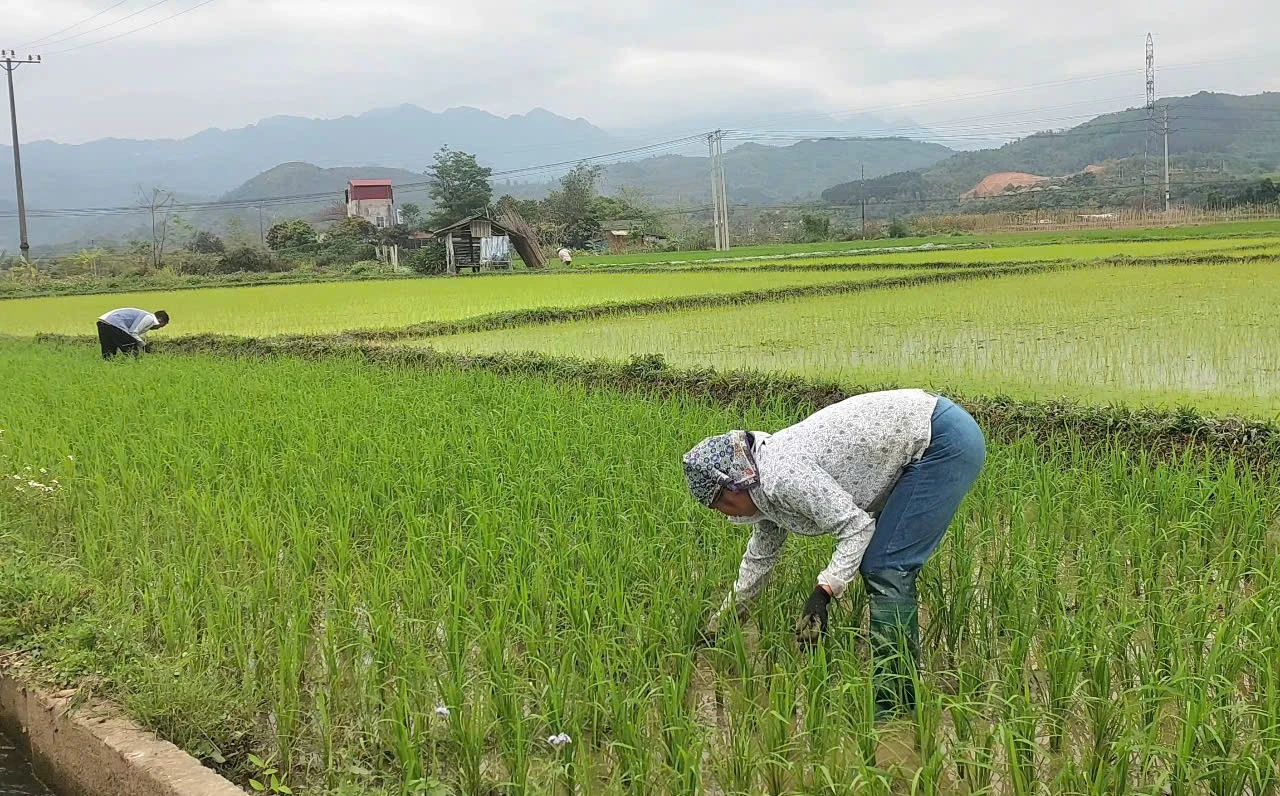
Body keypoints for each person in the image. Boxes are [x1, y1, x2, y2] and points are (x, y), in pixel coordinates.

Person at [683, 389, 985, 717]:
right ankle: (897, 695)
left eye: (719, 503)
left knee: (886, 564)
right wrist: (717, 627)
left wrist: (823, 592)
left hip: (939, 439)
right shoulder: (762, 494)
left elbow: (856, 527)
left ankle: (895, 706)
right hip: (921, 437)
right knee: (884, 560)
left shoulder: (782, 477)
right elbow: (758, 561)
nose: (725, 514)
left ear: (735, 483)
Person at [96, 307, 169, 359]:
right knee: (131, 345)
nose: (158, 329)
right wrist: (144, 346)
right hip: (115, 324)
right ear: (160, 320)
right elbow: (133, 333)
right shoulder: (149, 318)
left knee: (109, 350)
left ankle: (109, 365)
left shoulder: (144, 315)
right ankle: (133, 364)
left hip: (103, 323)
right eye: (161, 326)